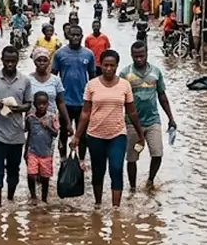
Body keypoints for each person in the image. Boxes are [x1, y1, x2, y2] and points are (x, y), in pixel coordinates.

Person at [72, 50, 145, 208]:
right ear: (100, 65)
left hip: (117, 134)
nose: (109, 69)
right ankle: (98, 205)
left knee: (116, 168)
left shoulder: (125, 85)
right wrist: (77, 136)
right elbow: (85, 113)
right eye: (106, 65)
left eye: (112, 65)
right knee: (98, 171)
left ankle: (115, 208)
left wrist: (140, 134)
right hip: (95, 135)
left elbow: (132, 112)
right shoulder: (91, 85)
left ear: (117, 66)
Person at [120, 41, 176, 191]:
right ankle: (132, 188)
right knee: (132, 158)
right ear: (131, 55)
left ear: (147, 54)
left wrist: (171, 118)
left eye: (142, 56)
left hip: (153, 121)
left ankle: (150, 181)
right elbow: (120, 99)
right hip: (132, 122)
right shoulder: (125, 74)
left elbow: (162, 96)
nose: (139, 59)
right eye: (136, 56)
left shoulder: (156, 72)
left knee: (157, 153)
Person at [0, 46, 33, 206]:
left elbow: (28, 104)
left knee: (13, 171)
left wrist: (19, 108)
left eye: (13, 61)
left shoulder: (25, 81)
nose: (10, 64)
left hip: (16, 135)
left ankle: (10, 199)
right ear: (2, 60)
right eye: (7, 61)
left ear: (17, 60)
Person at [53, 25, 97, 160]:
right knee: (63, 132)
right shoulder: (59, 54)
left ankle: (81, 161)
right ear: (68, 36)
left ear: (82, 36)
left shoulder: (88, 54)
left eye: (78, 35)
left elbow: (93, 78)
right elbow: (53, 78)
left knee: (83, 134)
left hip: (83, 102)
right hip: (64, 102)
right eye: (73, 35)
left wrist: (94, 99)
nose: (75, 37)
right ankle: (63, 160)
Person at [29, 48, 73, 148]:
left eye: (45, 60)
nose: (42, 63)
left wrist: (68, 123)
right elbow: (25, 101)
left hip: (50, 122)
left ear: (49, 62)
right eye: (39, 60)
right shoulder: (28, 80)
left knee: (48, 149)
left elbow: (60, 102)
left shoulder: (56, 80)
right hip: (34, 121)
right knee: (32, 149)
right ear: (34, 61)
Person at [25, 91, 59, 204]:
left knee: (45, 177)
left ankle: (44, 199)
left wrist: (47, 126)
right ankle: (33, 196)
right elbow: (29, 134)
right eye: (39, 104)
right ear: (34, 104)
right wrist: (25, 151)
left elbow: (55, 133)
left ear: (48, 104)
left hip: (46, 153)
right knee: (31, 175)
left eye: (44, 104)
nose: (41, 106)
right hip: (33, 152)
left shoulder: (52, 117)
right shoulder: (30, 118)